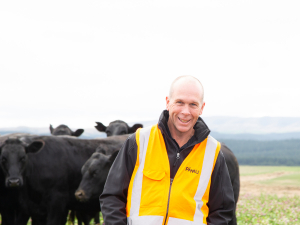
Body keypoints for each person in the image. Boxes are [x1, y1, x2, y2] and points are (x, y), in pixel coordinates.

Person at [100, 75, 235, 225]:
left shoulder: (213, 152)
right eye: (179, 102)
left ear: (202, 108)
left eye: (193, 104)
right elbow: (112, 197)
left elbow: (222, 211)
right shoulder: (139, 142)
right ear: (167, 102)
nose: (185, 111)